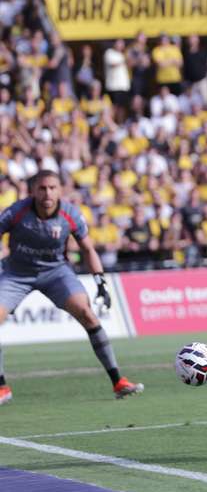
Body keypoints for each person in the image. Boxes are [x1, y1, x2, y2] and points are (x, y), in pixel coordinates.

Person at [0, 171, 143, 405]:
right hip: (17, 273)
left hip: (56, 272)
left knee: (87, 313)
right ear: (33, 191)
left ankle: (118, 381)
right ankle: (2, 387)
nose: (48, 193)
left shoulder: (71, 214)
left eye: (53, 188)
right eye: (42, 188)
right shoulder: (16, 212)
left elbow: (88, 249)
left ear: (60, 190)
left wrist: (101, 282)